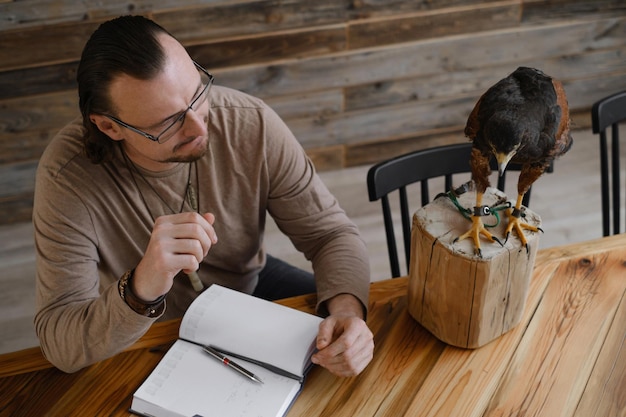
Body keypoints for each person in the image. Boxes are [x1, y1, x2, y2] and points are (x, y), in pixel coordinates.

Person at [33, 15, 374, 376]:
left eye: (197, 94)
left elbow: (329, 234)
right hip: (141, 324)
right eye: (167, 122)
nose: (199, 127)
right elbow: (60, 343)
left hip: (246, 282)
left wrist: (347, 311)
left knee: (355, 346)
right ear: (109, 126)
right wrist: (140, 287)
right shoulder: (66, 176)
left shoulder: (251, 123)